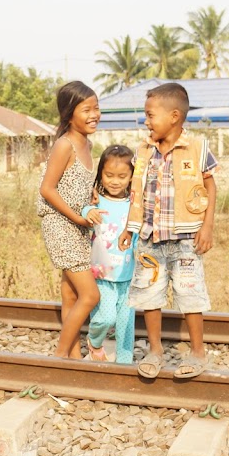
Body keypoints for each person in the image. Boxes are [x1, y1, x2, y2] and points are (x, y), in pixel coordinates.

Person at [120, 83, 218, 379]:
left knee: (190, 294)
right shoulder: (144, 150)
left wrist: (208, 226)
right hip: (150, 238)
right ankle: (155, 350)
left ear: (174, 116)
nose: (146, 122)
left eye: (151, 115)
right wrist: (129, 228)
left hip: (186, 238)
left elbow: (210, 186)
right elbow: (135, 190)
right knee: (149, 295)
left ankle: (197, 353)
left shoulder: (198, 148)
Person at [37, 81, 101, 359]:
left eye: (97, 108)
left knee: (71, 296)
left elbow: (75, 183)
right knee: (91, 296)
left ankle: (75, 357)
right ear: (69, 114)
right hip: (60, 224)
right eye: (86, 109)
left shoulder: (87, 143)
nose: (94, 115)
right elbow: (47, 189)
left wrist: (92, 196)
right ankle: (61, 355)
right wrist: (77, 216)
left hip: (77, 225)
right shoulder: (65, 145)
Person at [81, 144, 137, 364]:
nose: (115, 181)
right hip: (102, 274)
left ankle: (124, 363)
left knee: (125, 324)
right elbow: (84, 211)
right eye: (109, 175)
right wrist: (88, 212)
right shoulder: (96, 201)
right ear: (100, 173)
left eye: (122, 176)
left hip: (128, 274)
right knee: (105, 318)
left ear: (131, 176)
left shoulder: (134, 204)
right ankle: (94, 342)